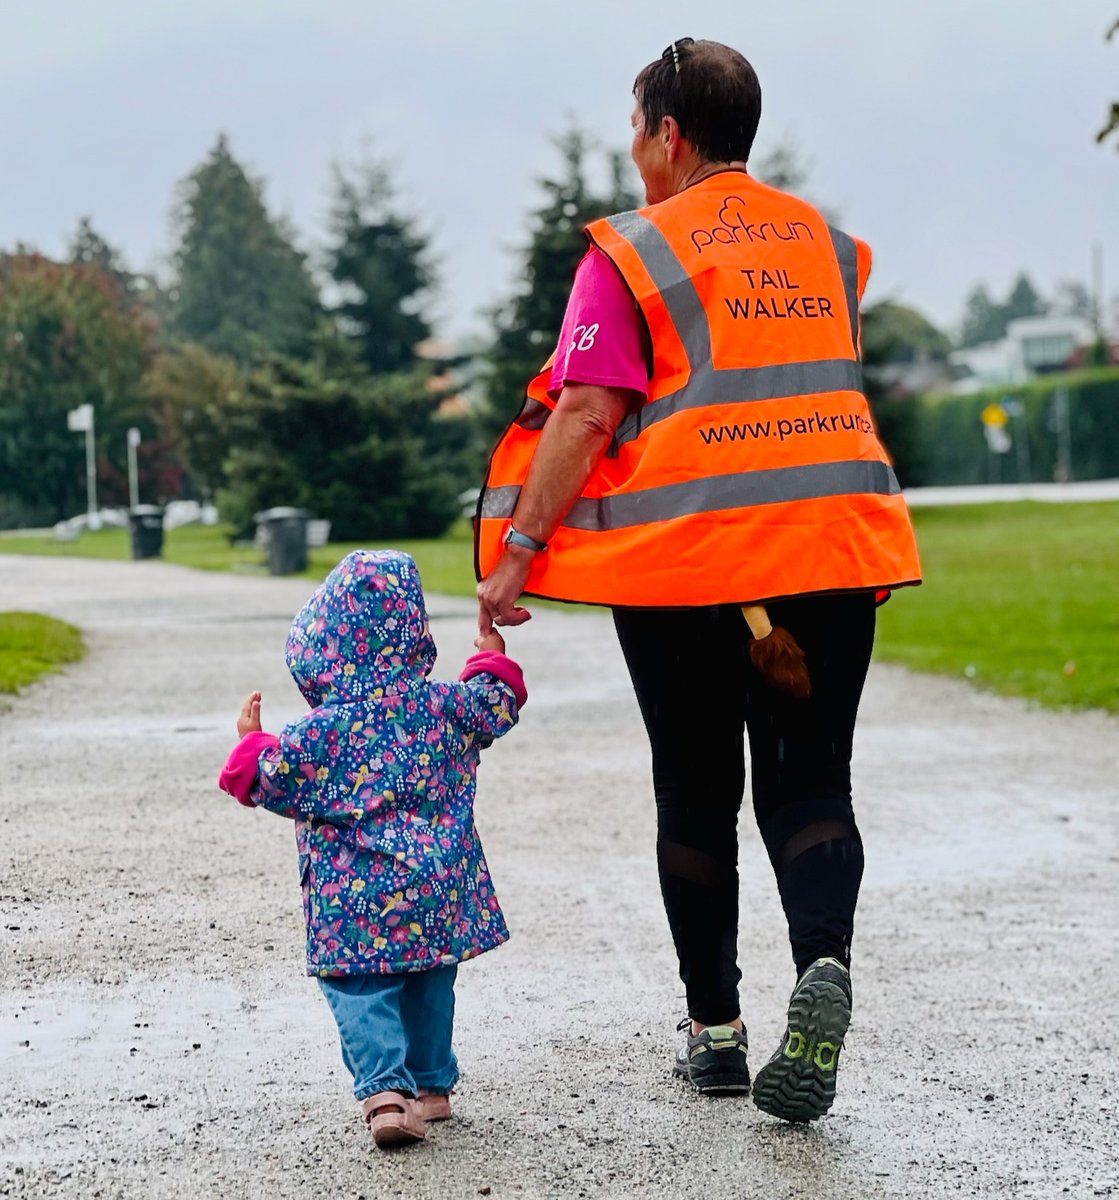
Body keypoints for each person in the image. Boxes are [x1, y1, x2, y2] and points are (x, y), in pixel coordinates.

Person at [476, 39, 920, 1123]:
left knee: (695, 789)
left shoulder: (633, 252)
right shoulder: (828, 247)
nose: (635, 154)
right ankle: (825, 968)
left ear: (669, 133)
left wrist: (518, 554)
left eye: (638, 130)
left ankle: (715, 1035)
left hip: (687, 564)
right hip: (828, 553)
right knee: (812, 782)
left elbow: (586, 411)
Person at [219, 549, 526, 1147]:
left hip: (352, 900)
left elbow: (261, 780)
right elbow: (495, 703)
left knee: (359, 984)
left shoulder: (321, 733)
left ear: (318, 648)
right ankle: (432, 1089)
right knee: (431, 979)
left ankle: (386, 1092)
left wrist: (251, 742)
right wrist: (491, 658)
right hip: (437, 888)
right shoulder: (440, 708)